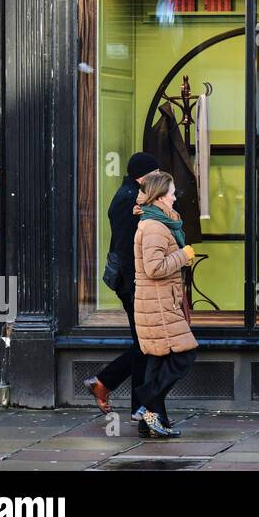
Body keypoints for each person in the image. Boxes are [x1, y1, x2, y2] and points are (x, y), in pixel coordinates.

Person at [85, 151, 159, 426]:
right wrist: (139, 287)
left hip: (132, 283)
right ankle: (107, 384)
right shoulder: (128, 200)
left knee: (144, 345)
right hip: (132, 284)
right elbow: (127, 250)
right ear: (144, 175)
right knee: (146, 346)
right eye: (156, 174)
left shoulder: (132, 196)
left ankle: (130, 402)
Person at [132, 171, 198, 439]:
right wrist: (183, 255)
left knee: (157, 363)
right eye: (171, 192)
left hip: (158, 302)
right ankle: (144, 403)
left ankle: (150, 422)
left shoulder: (157, 222)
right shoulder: (155, 227)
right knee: (184, 355)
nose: (174, 196)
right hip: (158, 304)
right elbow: (154, 267)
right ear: (159, 196)